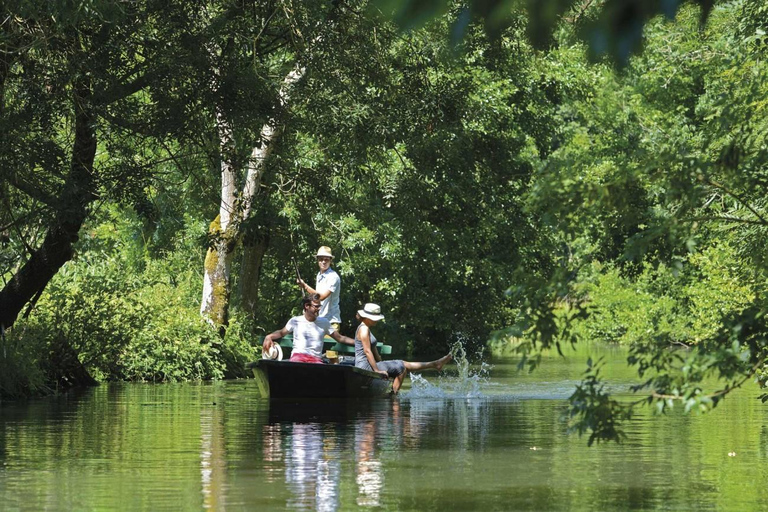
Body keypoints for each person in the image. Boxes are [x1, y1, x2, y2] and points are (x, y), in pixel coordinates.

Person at [354, 303, 452, 393]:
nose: (377, 320)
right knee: (401, 367)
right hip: (365, 367)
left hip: (369, 365)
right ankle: (393, 397)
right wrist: (377, 370)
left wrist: (381, 363)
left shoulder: (366, 328)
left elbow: (373, 350)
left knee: (403, 366)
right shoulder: (364, 329)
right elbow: (367, 351)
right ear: (367, 317)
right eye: (375, 318)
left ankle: (435, 364)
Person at [263, 293, 354, 364]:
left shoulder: (324, 322)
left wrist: (357, 342)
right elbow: (281, 333)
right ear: (307, 306)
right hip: (298, 357)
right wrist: (269, 336)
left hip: (315, 360)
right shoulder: (295, 321)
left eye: (319, 306)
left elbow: (340, 338)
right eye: (316, 306)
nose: (318, 309)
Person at [297, 246, 341, 328]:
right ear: (317, 260)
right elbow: (316, 299)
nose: (323, 262)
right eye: (321, 259)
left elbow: (321, 297)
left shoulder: (333, 277)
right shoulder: (319, 275)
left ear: (330, 260)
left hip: (331, 322)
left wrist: (305, 286)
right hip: (319, 319)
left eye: (326, 259)